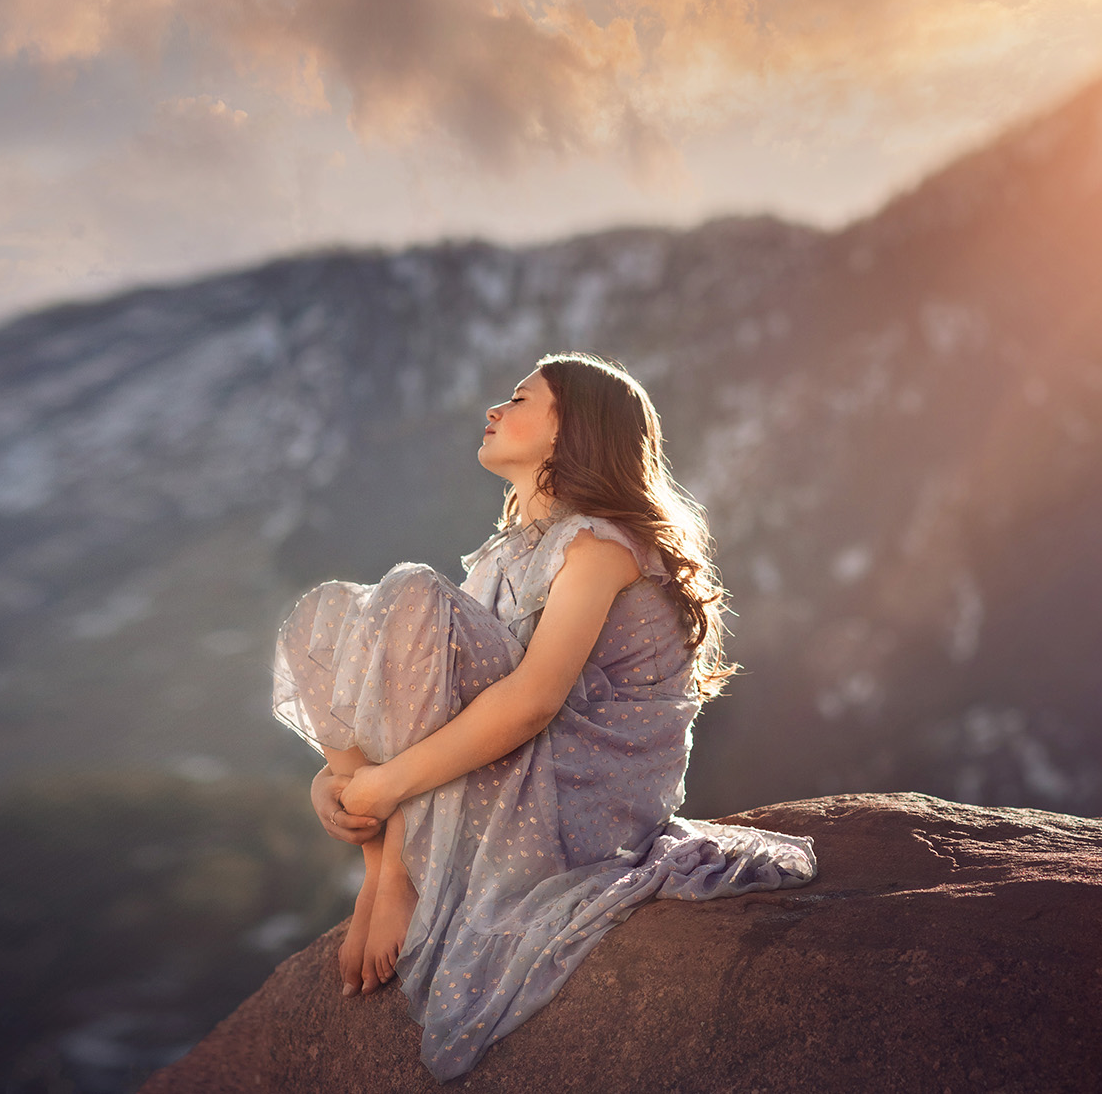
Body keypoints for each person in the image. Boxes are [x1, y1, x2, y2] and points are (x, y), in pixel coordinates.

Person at [271, 351, 817, 1081]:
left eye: (520, 398)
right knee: (323, 613)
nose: (494, 409)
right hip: (511, 767)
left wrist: (382, 783)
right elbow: (419, 686)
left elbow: (530, 703)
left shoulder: (600, 546)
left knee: (409, 593)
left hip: (578, 791)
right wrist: (338, 781)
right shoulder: (505, 554)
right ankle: (380, 856)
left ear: (572, 431)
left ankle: (395, 855)